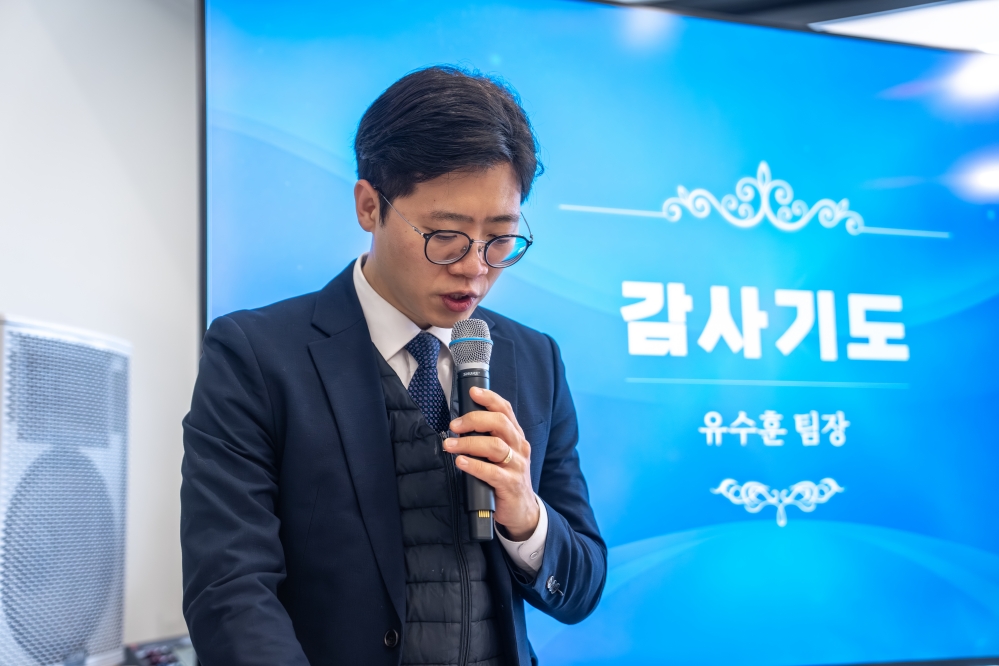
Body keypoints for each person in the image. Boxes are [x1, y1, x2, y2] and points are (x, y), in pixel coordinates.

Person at [181, 66, 606, 666]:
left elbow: (582, 586)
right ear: (368, 205)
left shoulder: (534, 359)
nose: (474, 268)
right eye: (445, 235)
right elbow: (230, 592)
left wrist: (525, 515)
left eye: (500, 238)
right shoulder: (255, 355)